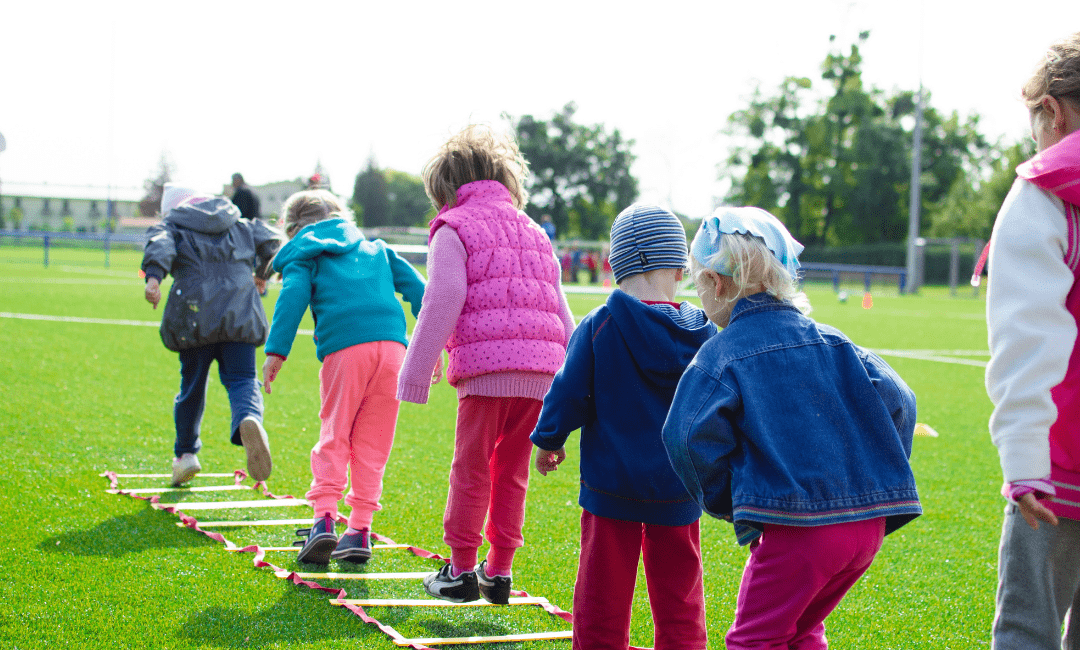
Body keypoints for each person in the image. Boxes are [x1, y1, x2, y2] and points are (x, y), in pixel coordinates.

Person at [663, 206, 921, 649]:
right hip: (866, 528)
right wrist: (875, 472)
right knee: (801, 628)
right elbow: (901, 400)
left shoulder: (721, 354)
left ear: (717, 283)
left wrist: (727, 500)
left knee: (755, 639)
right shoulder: (836, 341)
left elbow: (684, 437)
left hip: (798, 531)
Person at [396, 124, 575, 604]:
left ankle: (458, 571)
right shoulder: (535, 231)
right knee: (511, 471)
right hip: (542, 374)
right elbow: (561, 308)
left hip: (487, 371)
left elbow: (445, 295)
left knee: (471, 468)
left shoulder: (453, 227)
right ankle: (498, 571)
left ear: (446, 189)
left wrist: (416, 369)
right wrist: (575, 384)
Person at [531, 204, 714, 650]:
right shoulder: (705, 333)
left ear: (614, 265)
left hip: (611, 486)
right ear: (679, 266)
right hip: (680, 486)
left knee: (601, 595)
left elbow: (569, 391)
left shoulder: (600, 325)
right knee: (680, 596)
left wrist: (549, 439)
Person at [261, 189, 425, 564]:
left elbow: (293, 296)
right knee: (374, 442)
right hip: (394, 351)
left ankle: (324, 521)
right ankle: (360, 531)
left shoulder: (305, 253)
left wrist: (276, 351)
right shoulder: (378, 249)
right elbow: (421, 291)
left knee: (335, 432)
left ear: (292, 229)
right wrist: (433, 344)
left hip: (346, 349)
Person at [985, 33, 1080, 650]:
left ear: (1052, 111)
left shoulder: (1046, 192)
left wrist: (1024, 465)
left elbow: (1028, 335)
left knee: (1028, 630)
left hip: (1059, 465)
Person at [141, 183, 283, 486]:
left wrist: (154, 277)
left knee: (192, 385)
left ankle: (186, 455)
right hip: (241, 310)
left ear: (174, 208)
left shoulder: (174, 224)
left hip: (194, 313)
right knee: (243, 378)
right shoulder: (239, 222)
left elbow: (160, 244)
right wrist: (262, 273)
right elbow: (274, 242)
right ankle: (249, 419)